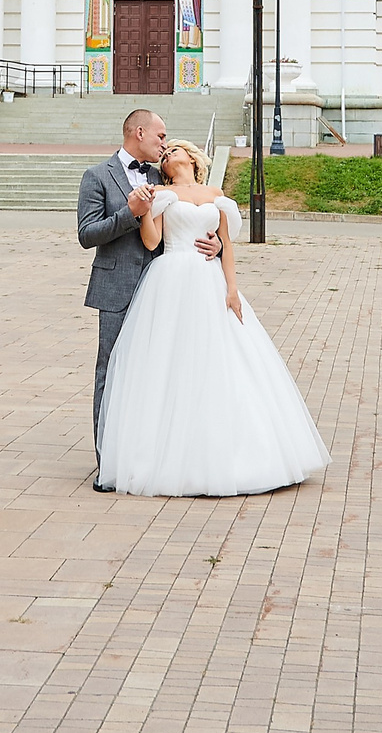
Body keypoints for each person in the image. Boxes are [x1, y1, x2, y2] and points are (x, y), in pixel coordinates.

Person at [95, 138, 330, 497]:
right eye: (165, 152)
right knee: (172, 363)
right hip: (171, 277)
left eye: (174, 150)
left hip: (210, 279)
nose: (168, 155)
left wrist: (232, 289)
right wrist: (143, 212)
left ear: (191, 157)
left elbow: (226, 243)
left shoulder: (215, 192)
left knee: (223, 359)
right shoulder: (159, 192)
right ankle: (168, 457)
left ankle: (242, 454)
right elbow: (151, 241)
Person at [78, 107, 218, 492]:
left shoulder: (164, 176)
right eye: (160, 136)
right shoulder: (96, 177)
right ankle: (109, 465)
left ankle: (155, 454)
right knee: (112, 372)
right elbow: (87, 234)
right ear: (138, 133)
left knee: (159, 373)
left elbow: (192, 219)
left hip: (166, 290)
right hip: (118, 288)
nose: (165, 143)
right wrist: (129, 213)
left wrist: (217, 243)